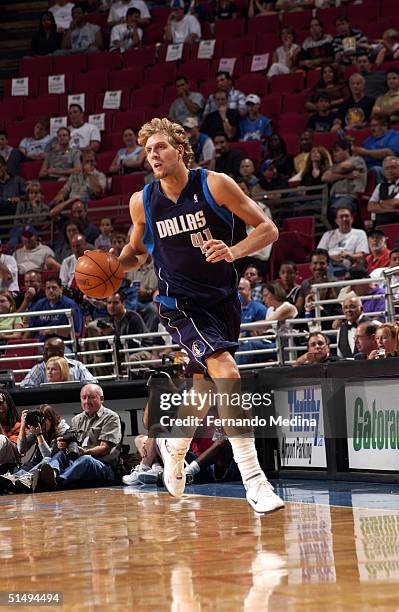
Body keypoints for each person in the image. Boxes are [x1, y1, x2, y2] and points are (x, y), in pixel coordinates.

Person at [113, 116, 284, 513]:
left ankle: (175, 446)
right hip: (179, 304)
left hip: (222, 300)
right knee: (227, 372)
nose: (153, 155)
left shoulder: (214, 183)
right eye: (148, 151)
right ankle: (255, 483)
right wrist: (110, 266)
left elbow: (268, 229)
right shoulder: (143, 200)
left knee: (204, 388)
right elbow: (135, 252)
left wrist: (234, 251)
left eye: (160, 147)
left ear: (180, 149)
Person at [15, 384, 122, 492]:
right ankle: (50, 473)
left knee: (86, 459)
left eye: (91, 397)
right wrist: (63, 444)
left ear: (101, 399)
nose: (87, 401)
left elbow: (105, 448)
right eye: (84, 398)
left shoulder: (111, 417)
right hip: (78, 460)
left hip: (103, 466)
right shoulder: (77, 419)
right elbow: (72, 443)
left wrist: (85, 452)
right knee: (61, 454)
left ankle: (57, 481)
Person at [0, 404, 70, 492]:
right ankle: (12, 479)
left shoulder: (62, 431)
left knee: (46, 461)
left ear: (51, 419)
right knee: (25, 466)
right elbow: (21, 450)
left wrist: (39, 435)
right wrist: (23, 426)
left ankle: (16, 479)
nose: (40, 423)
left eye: (43, 420)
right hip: (37, 463)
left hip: (51, 467)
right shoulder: (37, 429)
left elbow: (50, 457)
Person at [20, 336, 97, 387]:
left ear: (59, 353)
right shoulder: (39, 368)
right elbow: (26, 387)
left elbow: (92, 384)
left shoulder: (77, 366)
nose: (44, 353)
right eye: (44, 349)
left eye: (48, 350)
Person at [26, 276, 83, 342]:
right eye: (48, 288)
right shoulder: (39, 304)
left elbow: (76, 333)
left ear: (61, 289)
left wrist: (54, 331)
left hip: (63, 344)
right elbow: (31, 329)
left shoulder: (70, 305)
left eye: (54, 288)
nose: (51, 291)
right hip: (42, 344)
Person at [317, 207, 369, 276]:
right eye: (341, 217)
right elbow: (318, 254)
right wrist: (332, 257)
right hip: (329, 265)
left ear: (352, 219)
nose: (344, 219)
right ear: (336, 221)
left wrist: (349, 256)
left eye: (346, 216)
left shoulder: (360, 233)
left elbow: (362, 255)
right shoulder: (328, 234)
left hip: (350, 266)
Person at [322, 139, 367, 217]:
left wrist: (333, 174)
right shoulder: (335, 166)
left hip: (350, 197)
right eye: (333, 152)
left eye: (337, 151)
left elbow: (344, 168)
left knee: (336, 211)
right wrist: (345, 176)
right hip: (333, 198)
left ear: (346, 150)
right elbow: (325, 177)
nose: (334, 154)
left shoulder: (357, 160)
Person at [352, 112, 399, 181]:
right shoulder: (368, 140)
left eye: (375, 126)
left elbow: (389, 153)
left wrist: (365, 152)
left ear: (385, 125)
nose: (372, 128)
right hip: (365, 169)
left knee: (376, 170)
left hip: (385, 168)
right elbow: (360, 156)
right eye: (371, 126)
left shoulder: (394, 135)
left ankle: (383, 190)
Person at [367, 155, 399, 225]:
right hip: (380, 226)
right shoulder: (379, 186)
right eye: (387, 168)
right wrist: (394, 209)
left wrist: (380, 203)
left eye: (393, 167)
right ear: (383, 171)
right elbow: (370, 207)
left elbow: (396, 202)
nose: (390, 171)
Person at [0, 391, 20, 473]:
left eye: (0, 402)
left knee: (2, 438)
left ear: (8, 403)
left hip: (8, 465)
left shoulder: (18, 425)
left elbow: (15, 450)